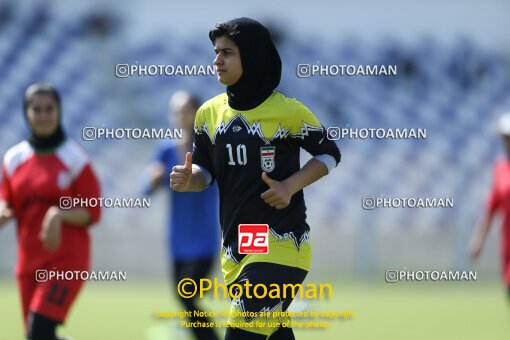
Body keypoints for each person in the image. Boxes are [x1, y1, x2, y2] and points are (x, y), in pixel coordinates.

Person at [169, 18, 341, 339]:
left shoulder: (288, 112)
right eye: (216, 52)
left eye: (227, 53)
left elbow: (329, 154)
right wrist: (187, 178)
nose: (216, 60)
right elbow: (205, 173)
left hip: (282, 244)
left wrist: (290, 186)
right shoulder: (208, 113)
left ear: (252, 56)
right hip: (239, 248)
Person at [0, 83, 101, 340]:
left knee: (39, 329)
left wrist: (59, 213)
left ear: (59, 111)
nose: (44, 115)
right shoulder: (14, 158)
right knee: (37, 336)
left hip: (66, 261)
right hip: (28, 263)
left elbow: (93, 211)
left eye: (50, 109)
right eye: (37, 109)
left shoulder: (75, 159)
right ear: (26, 113)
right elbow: (6, 200)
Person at [142, 90, 220, 340]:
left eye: (184, 110)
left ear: (197, 113)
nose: (179, 116)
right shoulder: (165, 150)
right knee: (185, 300)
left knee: (186, 297)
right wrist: (152, 180)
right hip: (178, 241)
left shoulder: (210, 148)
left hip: (204, 241)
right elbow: (146, 189)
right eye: (175, 111)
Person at [470, 112, 510, 300]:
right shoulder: (501, 169)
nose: (505, 142)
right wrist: (478, 240)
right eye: (504, 138)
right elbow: (491, 208)